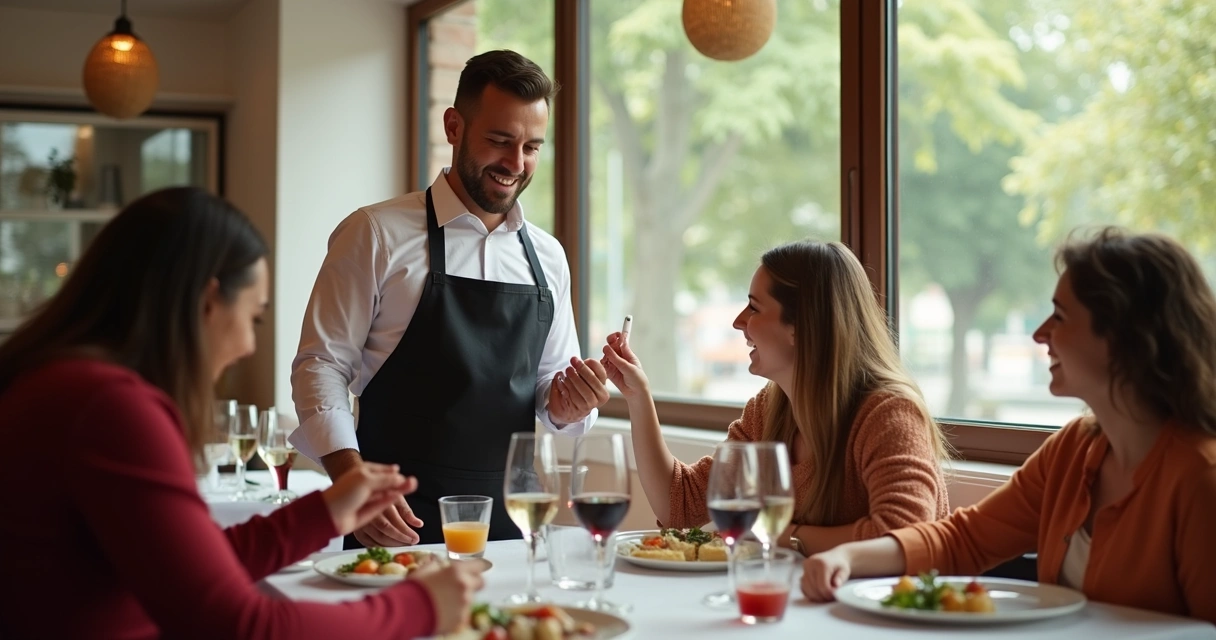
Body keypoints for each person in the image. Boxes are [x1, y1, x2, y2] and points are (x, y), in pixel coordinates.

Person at [0, 187, 486, 639]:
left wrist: (323, 513)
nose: (251, 346)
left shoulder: (65, 383)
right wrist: (419, 606)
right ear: (209, 301)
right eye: (254, 317)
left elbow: (189, 568)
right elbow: (239, 623)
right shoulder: (109, 409)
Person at [799, 227, 1216, 623]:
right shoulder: (1073, 450)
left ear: (1124, 336)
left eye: (1060, 316)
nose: (1039, 334)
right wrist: (848, 558)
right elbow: (964, 540)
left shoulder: (1200, 478)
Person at [291, 49, 610, 549]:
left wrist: (571, 404)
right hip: (394, 521)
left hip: (514, 527)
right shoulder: (373, 233)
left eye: (532, 147)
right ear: (454, 126)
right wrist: (350, 481)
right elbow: (320, 366)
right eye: (500, 141)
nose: (516, 163)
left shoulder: (549, 257)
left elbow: (550, 388)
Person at [601, 240, 951, 556]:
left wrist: (779, 534)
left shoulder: (889, 415)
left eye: (754, 307)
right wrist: (637, 396)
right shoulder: (768, 410)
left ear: (800, 326)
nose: (739, 322)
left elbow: (906, 537)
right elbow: (680, 505)